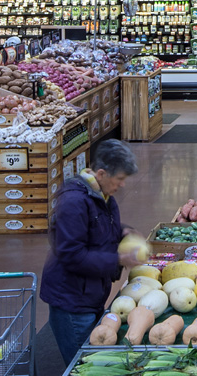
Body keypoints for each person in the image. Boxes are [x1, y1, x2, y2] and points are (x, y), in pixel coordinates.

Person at [41, 138, 140, 362]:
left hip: (91, 293)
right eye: (120, 179)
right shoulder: (74, 202)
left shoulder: (103, 196)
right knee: (83, 364)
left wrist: (124, 233)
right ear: (102, 173)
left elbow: (99, 231)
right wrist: (118, 258)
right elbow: (72, 254)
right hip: (72, 300)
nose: (122, 185)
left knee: (93, 353)